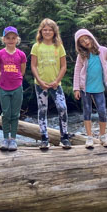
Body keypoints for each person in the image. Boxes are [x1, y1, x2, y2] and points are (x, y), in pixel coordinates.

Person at [73, 28, 107, 149]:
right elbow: (77, 71)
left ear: (91, 37)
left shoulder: (103, 50)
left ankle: (103, 137)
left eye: (86, 38)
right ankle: (89, 137)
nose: (86, 42)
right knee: (87, 112)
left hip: (99, 88)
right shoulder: (81, 55)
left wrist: (105, 72)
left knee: (102, 111)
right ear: (80, 45)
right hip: (85, 88)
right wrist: (76, 88)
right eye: (82, 41)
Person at [30, 18, 71, 150]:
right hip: (40, 84)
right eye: (45, 30)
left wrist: (57, 81)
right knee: (42, 110)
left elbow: (64, 66)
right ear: (41, 31)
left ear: (54, 32)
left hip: (56, 85)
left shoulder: (59, 46)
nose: (47, 32)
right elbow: (33, 66)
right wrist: (40, 81)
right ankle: (44, 138)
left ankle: (64, 137)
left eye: (50, 30)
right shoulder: (36, 46)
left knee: (62, 108)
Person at [0, 26, 27, 151]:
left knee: (15, 114)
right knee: (6, 113)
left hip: (17, 87)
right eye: (8, 38)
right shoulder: (0, 54)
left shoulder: (21, 54)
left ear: (17, 39)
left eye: (13, 38)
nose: (11, 40)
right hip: (4, 87)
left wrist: (17, 80)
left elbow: (22, 70)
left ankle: (13, 139)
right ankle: (5, 138)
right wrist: (2, 82)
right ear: (4, 39)